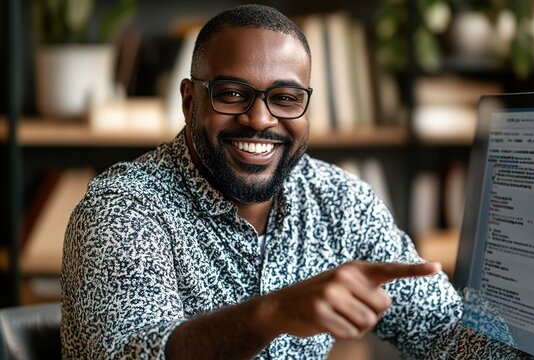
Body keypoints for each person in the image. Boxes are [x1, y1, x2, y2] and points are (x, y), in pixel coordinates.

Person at [61, 4, 462, 359]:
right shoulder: (122, 209)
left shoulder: (341, 202)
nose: (260, 119)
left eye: (285, 98)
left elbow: (445, 334)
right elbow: (135, 354)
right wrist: (272, 314)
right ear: (188, 101)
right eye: (233, 94)